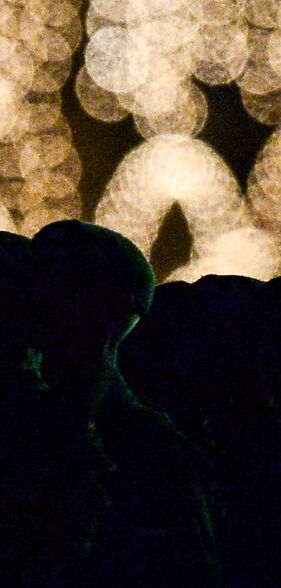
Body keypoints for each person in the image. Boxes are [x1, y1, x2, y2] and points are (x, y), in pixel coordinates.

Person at [29, 220, 220, 586]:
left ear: (110, 306)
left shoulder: (147, 444)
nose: (39, 297)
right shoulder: (145, 437)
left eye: (65, 284)